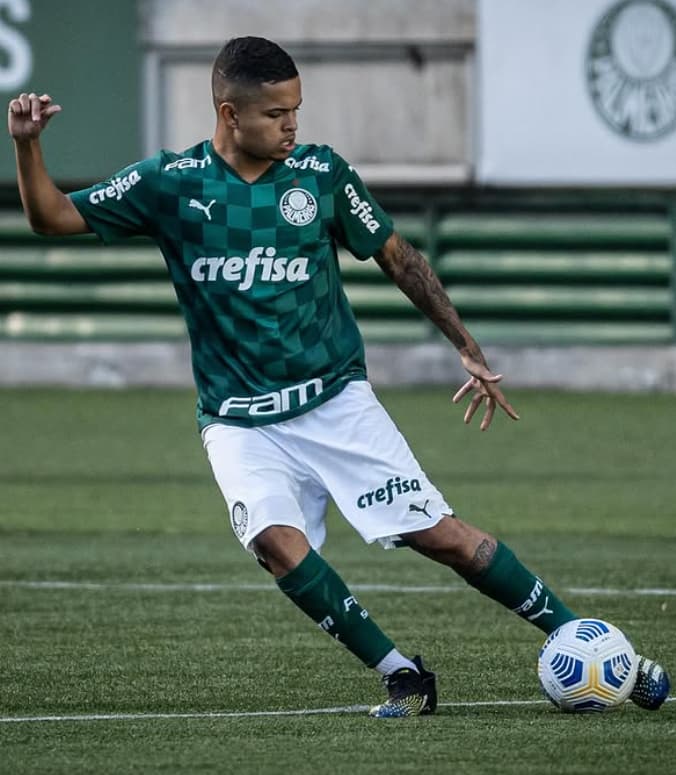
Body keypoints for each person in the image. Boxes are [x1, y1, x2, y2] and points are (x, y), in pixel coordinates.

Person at [8, 36, 669, 718]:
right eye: (277, 114)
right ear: (229, 115)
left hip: (333, 400)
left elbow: (399, 258)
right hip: (237, 417)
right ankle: (404, 674)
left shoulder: (320, 175)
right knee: (274, 542)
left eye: (298, 109)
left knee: (440, 535)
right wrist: (29, 146)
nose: (293, 124)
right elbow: (52, 217)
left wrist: (465, 345)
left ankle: (587, 640)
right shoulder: (171, 184)